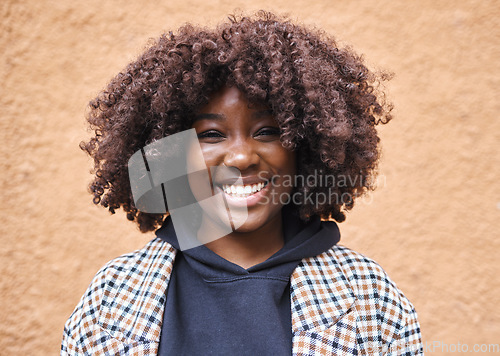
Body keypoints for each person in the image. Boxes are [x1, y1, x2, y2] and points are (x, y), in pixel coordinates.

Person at [62, 11, 423, 355]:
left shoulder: (370, 298)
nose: (240, 157)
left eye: (267, 131)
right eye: (212, 135)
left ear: (307, 146)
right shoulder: (111, 299)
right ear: (168, 151)